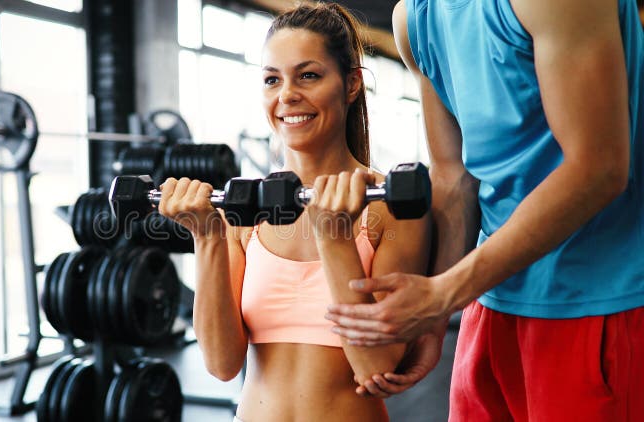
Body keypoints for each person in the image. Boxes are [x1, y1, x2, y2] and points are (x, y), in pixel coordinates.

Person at [325, 0, 644, 419]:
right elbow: (454, 176)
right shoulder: (414, 19)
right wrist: (433, 321)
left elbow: (599, 167)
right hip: (491, 302)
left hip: (596, 302)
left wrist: (444, 293)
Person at [158, 3, 431, 421]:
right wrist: (207, 237)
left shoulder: (389, 206)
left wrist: (335, 238)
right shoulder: (244, 209)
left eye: (308, 75)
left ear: (352, 83)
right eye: (272, 79)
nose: (287, 95)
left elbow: (376, 366)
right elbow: (221, 363)